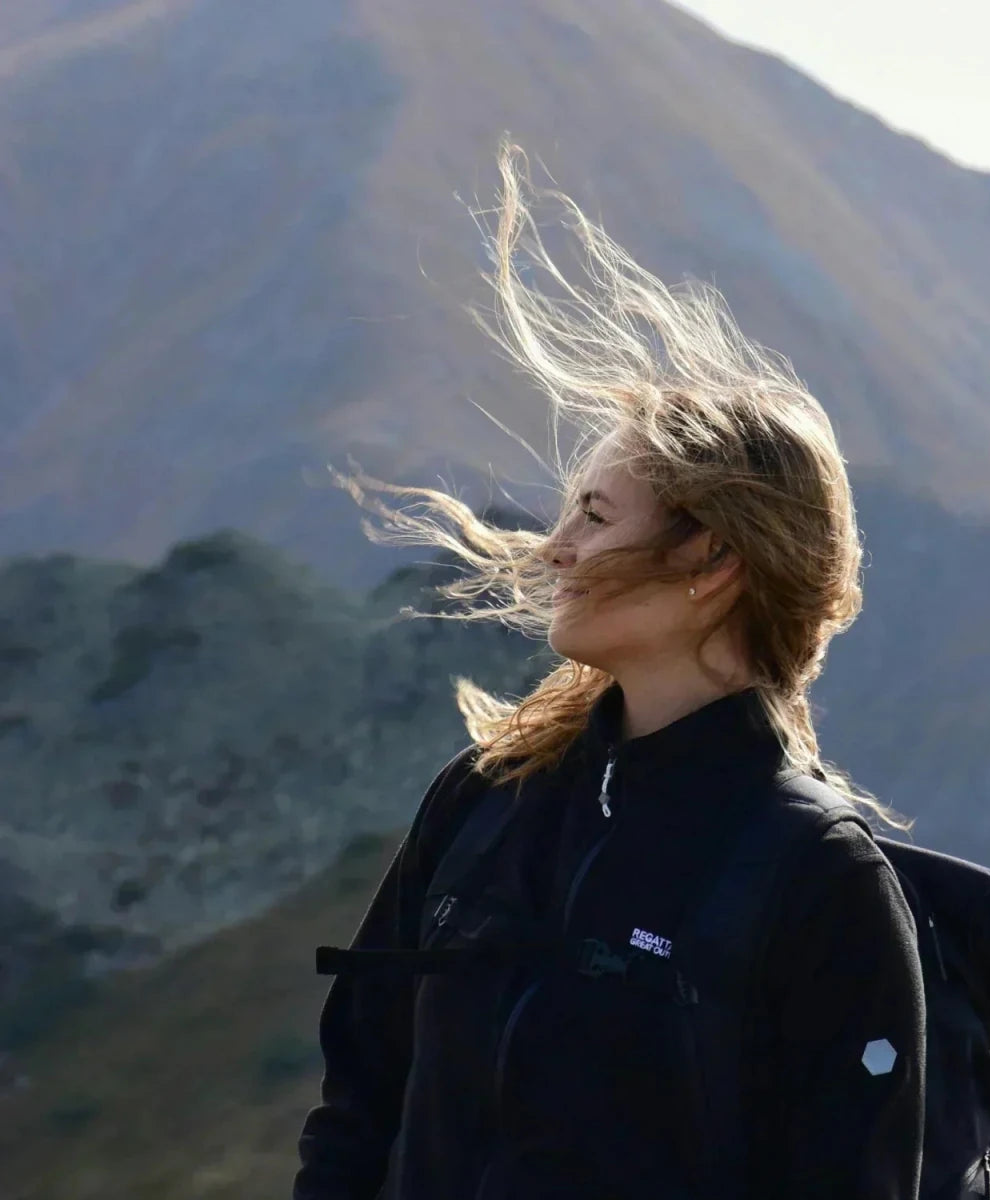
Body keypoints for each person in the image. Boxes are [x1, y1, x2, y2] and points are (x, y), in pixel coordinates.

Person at [293, 141, 925, 1200]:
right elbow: (360, 1100)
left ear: (712, 561)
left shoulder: (819, 880)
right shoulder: (485, 800)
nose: (554, 550)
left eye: (592, 516)